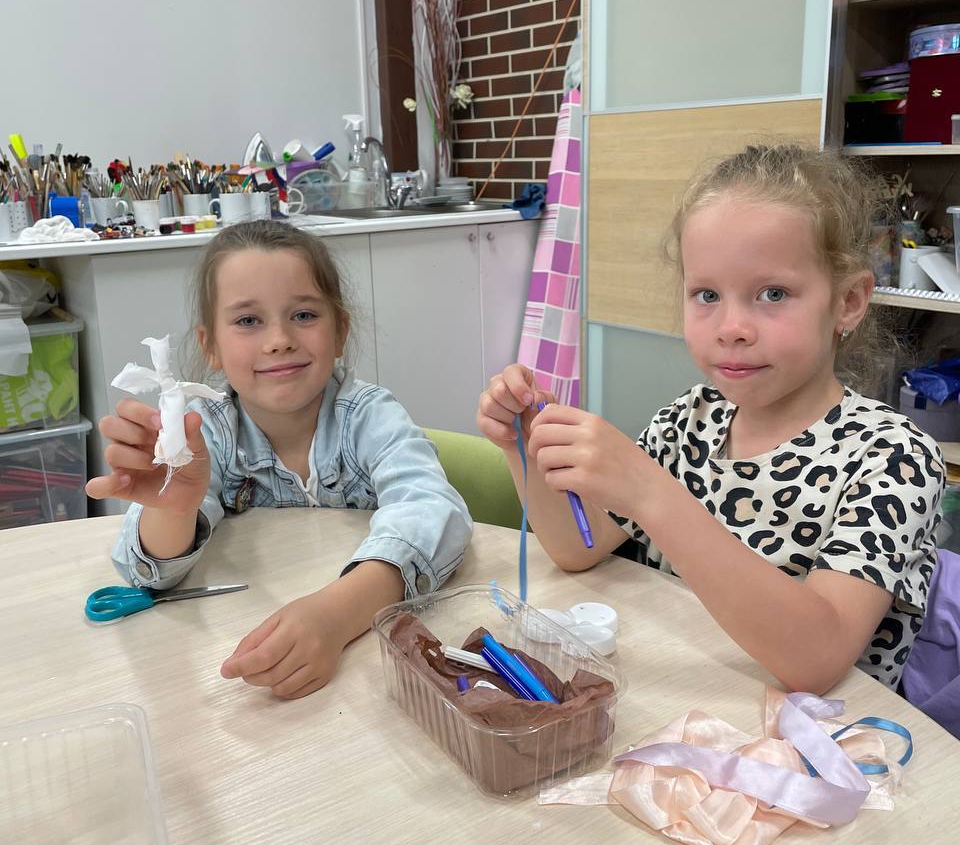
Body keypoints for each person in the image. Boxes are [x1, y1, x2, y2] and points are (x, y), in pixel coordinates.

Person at [478, 144, 945, 694]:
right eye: (706, 294)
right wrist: (524, 445)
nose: (731, 328)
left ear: (847, 301)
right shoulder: (689, 420)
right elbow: (577, 549)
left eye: (773, 294)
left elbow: (817, 658)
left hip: (821, 736)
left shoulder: (894, 458)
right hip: (688, 700)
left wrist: (651, 494)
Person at [88, 219, 471, 699]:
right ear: (211, 346)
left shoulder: (370, 417)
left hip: (372, 663)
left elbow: (434, 511)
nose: (278, 340)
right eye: (248, 321)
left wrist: (337, 614)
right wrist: (173, 510)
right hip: (235, 642)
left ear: (340, 331)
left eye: (304, 315)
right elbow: (147, 572)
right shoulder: (204, 432)